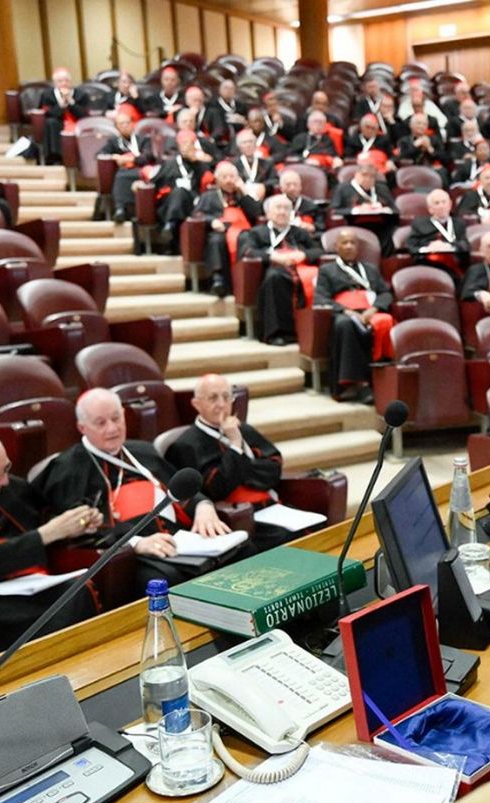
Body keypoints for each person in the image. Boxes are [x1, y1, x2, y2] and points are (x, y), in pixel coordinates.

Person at [33, 389, 244, 590]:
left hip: (181, 540)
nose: (112, 428)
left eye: (116, 418)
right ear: (82, 428)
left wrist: (203, 506)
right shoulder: (68, 469)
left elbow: (178, 489)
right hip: (129, 554)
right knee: (165, 580)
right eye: (101, 423)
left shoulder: (142, 450)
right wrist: (136, 543)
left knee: (243, 551)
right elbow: (82, 531)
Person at [0, 433, 99, 656]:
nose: (5, 481)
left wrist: (78, 524)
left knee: (76, 590)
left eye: (6, 469)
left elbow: (47, 520)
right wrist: (45, 534)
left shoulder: (12, 488)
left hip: (27, 584)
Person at [164, 374, 296, 551]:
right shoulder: (185, 445)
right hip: (235, 516)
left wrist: (240, 469)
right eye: (213, 398)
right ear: (196, 404)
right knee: (286, 539)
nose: (221, 404)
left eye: (226, 397)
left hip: (269, 507)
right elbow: (216, 488)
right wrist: (235, 446)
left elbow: (273, 468)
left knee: (313, 530)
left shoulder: (244, 429)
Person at [314, 228, 394, 402]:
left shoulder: (370, 269)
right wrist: (347, 311)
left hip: (369, 311)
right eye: (345, 243)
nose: (349, 246)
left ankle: (385, 377)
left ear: (358, 247)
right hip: (344, 313)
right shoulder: (327, 270)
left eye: (353, 243)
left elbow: (385, 294)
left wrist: (373, 310)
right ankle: (358, 384)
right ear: (337, 247)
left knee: (386, 321)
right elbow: (321, 298)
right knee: (345, 324)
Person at [238, 194, 323, 345]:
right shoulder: (257, 232)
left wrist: (302, 254)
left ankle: (309, 331)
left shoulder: (299, 232)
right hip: (273, 268)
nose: (282, 212)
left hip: (301, 269)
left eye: (286, 209)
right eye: (278, 208)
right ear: (268, 213)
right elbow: (248, 251)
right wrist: (273, 257)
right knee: (274, 278)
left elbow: (318, 251)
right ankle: (278, 332)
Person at [194, 161, 262, 297]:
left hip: (243, 231)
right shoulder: (209, 195)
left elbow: (256, 213)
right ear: (217, 179)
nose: (229, 180)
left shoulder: (242, 195)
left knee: (248, 240)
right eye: (224, 177)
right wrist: (212, 221)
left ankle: (247, 282)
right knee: (215, 240)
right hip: (221, 230)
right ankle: (218, 280)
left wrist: (243, 191)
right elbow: (198, 214)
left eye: (232, 177)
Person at [147, 130, 212, 253]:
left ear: (194, 145)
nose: (186, 147)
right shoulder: (170, 164)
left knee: (181, 192)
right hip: (170, 202)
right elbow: (154, 182)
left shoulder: (200, 165)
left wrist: (198, 162)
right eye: (183, 144)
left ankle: (170, 226)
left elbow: (210, 179)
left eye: (189, 144)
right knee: (177, 193)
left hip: (192, 201)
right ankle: (171, 228)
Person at [329, 162, 398, 257]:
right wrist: (356, 210)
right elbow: (334, 211)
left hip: (380, 226)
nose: (367, 179)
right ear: (356, 175)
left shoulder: (382, 188)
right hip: (354, 225)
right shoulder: (343, 189)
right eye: (364, 176)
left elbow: (395, 210)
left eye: (371, 177)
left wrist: (384, 209)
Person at [101, 110, 155, 224]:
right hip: (123, 171)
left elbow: (147, 156)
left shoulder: (143, 140)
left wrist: (127, 159)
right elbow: (100, 154)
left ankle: (124, 209)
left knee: (123, 176)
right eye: (121, 124)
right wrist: (114, 157)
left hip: (142, 170)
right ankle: (120, 209)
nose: (125, 126)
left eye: (127, 123)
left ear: (132, 124)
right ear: (117, 128)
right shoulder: (114, 142)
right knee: (121, 175)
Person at [407, 189, 471, 277]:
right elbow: (411, 246)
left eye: (444, 202)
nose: (441, 206)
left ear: (450, 205)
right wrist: (427, 249)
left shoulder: (459, 224)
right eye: (437, 203)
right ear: (430, 209)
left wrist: (449, 247)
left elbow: (465, 245)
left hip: (454, 265)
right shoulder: (419, 224)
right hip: (428, 265)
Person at [38, 68, 91, 163]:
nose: (64, 83)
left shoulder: (81, 94)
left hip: (77, 123)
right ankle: (56, 158)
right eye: (60, 81)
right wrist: (62, 105)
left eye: (66, 80)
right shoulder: (47, 95)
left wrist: (71, 102)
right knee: (51, 122)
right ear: (55, 83)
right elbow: (49, 114)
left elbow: (84, 115)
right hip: (58, 124)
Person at [230, 128, 278, 201]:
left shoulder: (267, 163)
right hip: (241, 199)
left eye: (251, 142)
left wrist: (264, 186)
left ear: (256, 145)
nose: (248, 145)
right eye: (244, 142)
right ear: (239, 147)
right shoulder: (233, 165)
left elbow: (275, 180)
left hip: (263, 198)